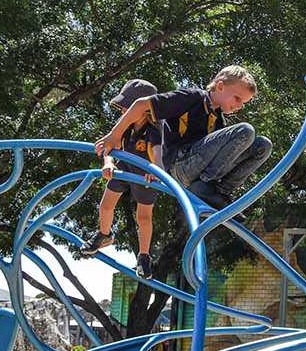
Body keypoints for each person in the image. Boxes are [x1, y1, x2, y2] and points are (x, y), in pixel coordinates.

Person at [95, 65, 272, 212]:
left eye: (243, 103)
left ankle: (220, 192)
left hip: (197, 169)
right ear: (220, 86)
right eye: (237, 98)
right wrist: (115, 135)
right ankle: (205, 186)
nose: (239, 106)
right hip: (178, 164)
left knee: (263, 145)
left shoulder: (218, 120)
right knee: (245, 130)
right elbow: (141, 104)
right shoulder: (193, 97)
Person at [82, 79, 163, 280]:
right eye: (124, 107)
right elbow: (110, 147)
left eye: (128, 107)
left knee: (143, 217)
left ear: (144, 109)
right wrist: (108, 163)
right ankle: (104, 234)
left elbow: (158, 154)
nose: (124, 112)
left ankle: (144, 256)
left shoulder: (154, 130)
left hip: (145, 174)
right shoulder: (124, 126)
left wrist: (157, 171)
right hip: (124, 168)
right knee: (105, 206)